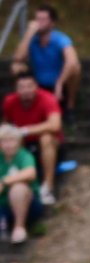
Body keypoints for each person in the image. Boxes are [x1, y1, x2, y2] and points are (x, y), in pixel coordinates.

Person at [2, 72, 63, 205]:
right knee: (7, 139)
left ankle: (48, 187)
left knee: (46, 138)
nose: (26, 90)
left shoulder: (48, 99)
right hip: (22, 143)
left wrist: (24, 130)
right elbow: (6, 125)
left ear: (36, 86)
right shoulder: (10, 101)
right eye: (21, 87)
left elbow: (55, 125)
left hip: (48, 143)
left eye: (29, 86)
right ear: (16, 89)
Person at [12, 4, 81, 120]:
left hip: (59, 82)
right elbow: (18, 58)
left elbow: (72, 61)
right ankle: (22, 102)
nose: (39, 23)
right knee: (16, 66)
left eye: (43, 19)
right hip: (37, 82)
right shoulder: (32, 39)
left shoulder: (60, 39)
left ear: (52, 23)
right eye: (37, 19)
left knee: (76, 68)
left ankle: (70, 106)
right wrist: (28, 34)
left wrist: (59, 83)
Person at [0, 123, 43, 244]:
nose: (8, 145)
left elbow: (30, 173)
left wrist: (5, 181)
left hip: (28, 205)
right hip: (3, 206)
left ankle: (19, 228)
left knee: (18, 188)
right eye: (4, 141)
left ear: (18, 142)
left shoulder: (24, 156)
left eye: (11, 140)